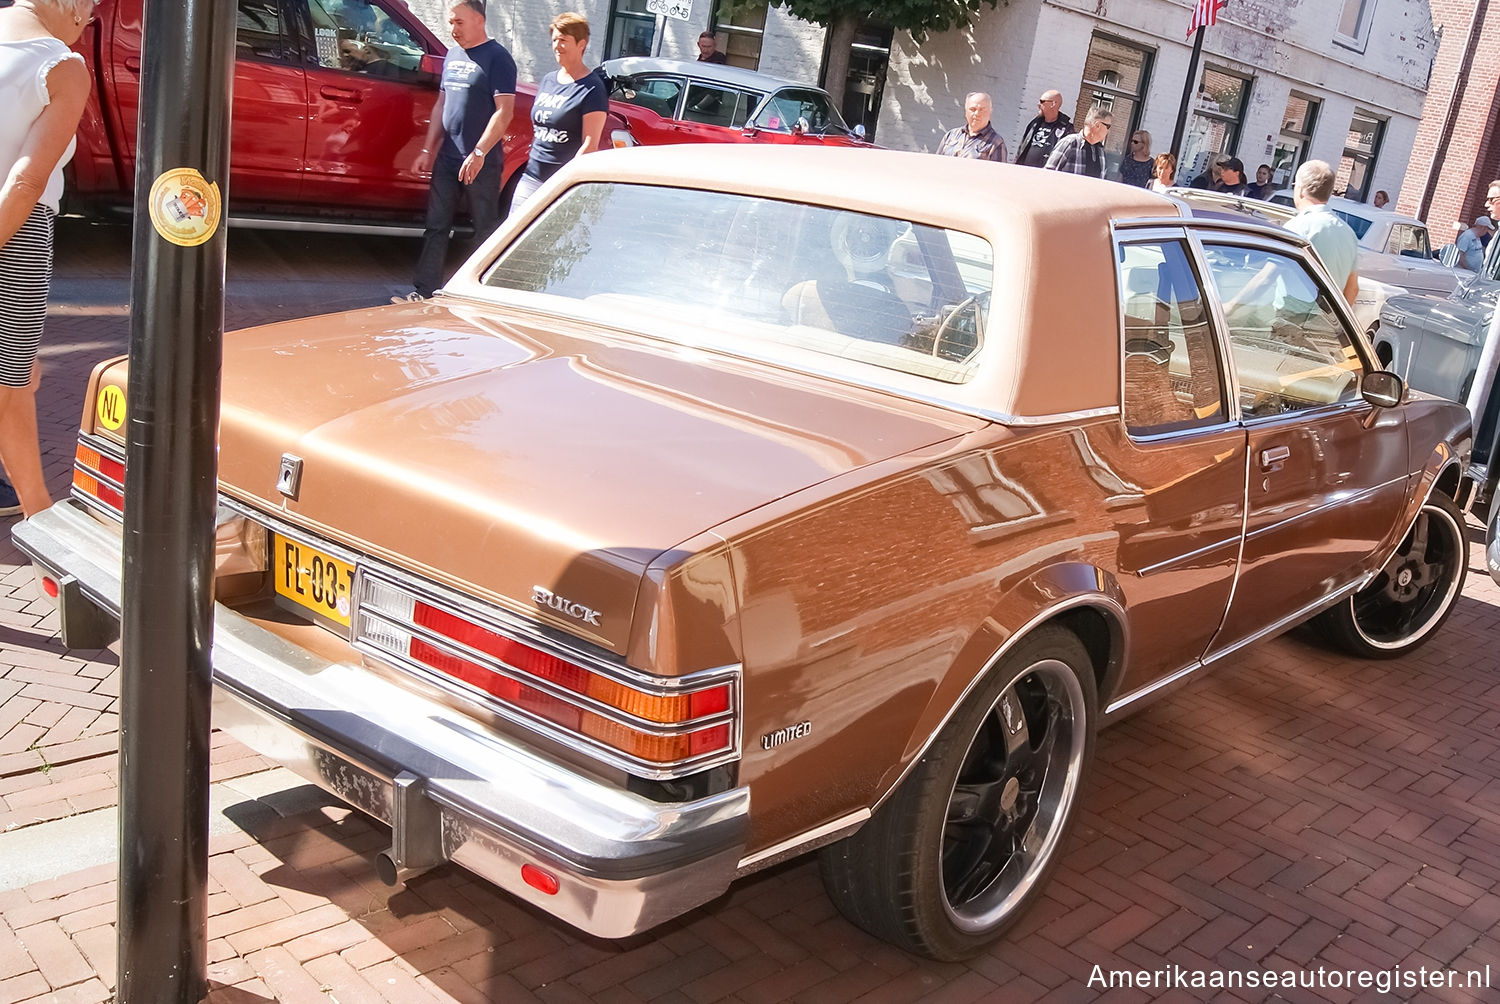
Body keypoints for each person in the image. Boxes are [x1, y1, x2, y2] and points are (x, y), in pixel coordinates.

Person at [0, 0, 91, 518]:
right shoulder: (59, 66)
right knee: (10, 383)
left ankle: (40, 514)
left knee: (17, 380)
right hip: (15, 232)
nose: (89, 22)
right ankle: (41, 514)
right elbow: (26, 181)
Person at [397, 0, 515, 303]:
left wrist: (479, 153)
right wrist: (428, 148)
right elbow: (441, 105)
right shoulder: (452, 55)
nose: (453, 30)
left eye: (458, 23)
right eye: (450, 23)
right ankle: (423, 291)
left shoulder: (498, 58)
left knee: (485, 229)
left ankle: (483, 295)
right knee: (436, 225)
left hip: (481, 161)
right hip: (448, 157)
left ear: (478, 20)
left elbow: (504, 113)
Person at [512, 12, 608, 212]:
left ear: (581, 44)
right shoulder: (548, 80)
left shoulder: (592, 88)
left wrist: (566, 183)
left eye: (563, 40)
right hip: (531, 177)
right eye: (554, 40)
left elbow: (590, 146)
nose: (556, 46)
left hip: (561, 185)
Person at [1285, 160, 1360, 302]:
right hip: (1327, 319)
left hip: (1288, 316)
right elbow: (1353, 289)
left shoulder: (1297, 227)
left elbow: (1268, 276)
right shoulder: (1348, 233)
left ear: (1300, 190)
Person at [933, 92, 1007, 163]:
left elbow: (998, 174)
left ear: (990, 112)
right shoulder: (951, 135)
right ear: (966, 112)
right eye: (972, 109)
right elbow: (936, 164)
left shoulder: (996, 143)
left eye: (982, 109)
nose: (977, 113)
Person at [1043, 106, 1110, 178]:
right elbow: (1048, 175)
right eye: (1108, 126)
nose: (1109, 131)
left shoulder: (1101, 151)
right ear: (1097, 125)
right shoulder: (1069, 143)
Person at [1015, 90, 1072, 168]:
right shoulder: (1034, 123)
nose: (1038, 104)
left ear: (1053, 104)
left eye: (1042, 101)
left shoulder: (1066, 129)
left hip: (1046, 176)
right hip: (1024, 172)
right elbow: (1021, 148)